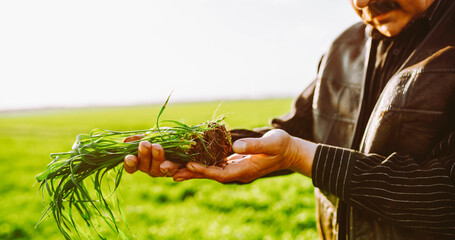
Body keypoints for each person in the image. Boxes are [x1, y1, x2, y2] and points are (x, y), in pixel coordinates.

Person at [123, 0, 455, 239]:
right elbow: (295, 130)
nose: (363, 2)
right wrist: (196, 148)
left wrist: (300, 156)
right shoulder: (345, 47)